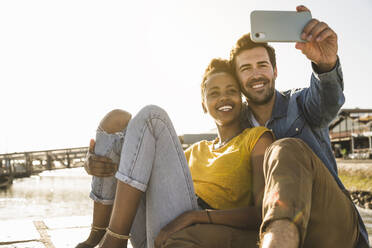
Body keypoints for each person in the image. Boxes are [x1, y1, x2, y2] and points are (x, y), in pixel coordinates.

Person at [76, 58, 274, 248]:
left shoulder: (256, 139)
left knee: (153, 117)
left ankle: (114, 242)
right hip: (156, 230)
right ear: (204, 105)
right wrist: (93, 164)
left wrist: (196, 216)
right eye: (214, 93)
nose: (223, 97)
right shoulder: (197, 150)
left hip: (195, 230)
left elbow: (261, 212)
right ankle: (96, 235)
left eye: (231, 91)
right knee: (116, 120)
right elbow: (139, 173)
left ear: (241, 99)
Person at [229, 5, 369, 248]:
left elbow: (327, 102)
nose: (256, 74)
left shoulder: (300, 103)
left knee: (285, 148)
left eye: (262, 65)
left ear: (275, 71)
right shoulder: (236, 128)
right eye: (246, 69)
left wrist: (327, 65)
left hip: (333, 225)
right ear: (238, 80)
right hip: (269, 230)